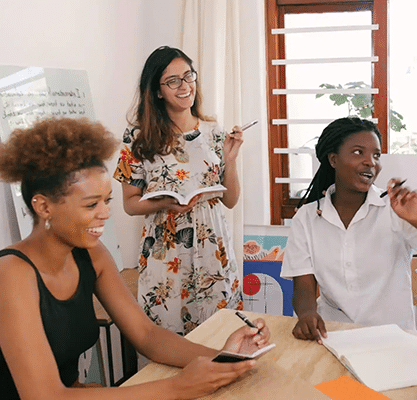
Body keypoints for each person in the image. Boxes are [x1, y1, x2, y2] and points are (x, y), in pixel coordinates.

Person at [0, 117, 271, 399]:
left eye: (107, 201)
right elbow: (43, 395)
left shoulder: (92, 256)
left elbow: (146, 335)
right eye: (91, 204)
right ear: (43, 206)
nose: (105, 214)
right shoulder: (12, 273)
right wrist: (179, 387)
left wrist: (225, 358)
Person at [280, 117, 417, 342]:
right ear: (333, 159)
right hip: (332, 336)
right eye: (358, 152)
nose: (370, 162)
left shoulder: (395, 209)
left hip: (393, 340)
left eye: (376, 155)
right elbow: (303, 285)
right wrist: (307, 314)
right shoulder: (307, 217)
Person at [114, 46, 244, 335]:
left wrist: (231, 160)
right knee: (168, 344)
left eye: (188, 76)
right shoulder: (137, 137)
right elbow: (130, 204)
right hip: (166, 258)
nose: (185, 86)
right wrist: (164, 203)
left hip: (214, 253)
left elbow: (231, 201)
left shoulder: (214, 131)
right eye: (173, 80)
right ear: (157, 91)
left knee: (222, 341)